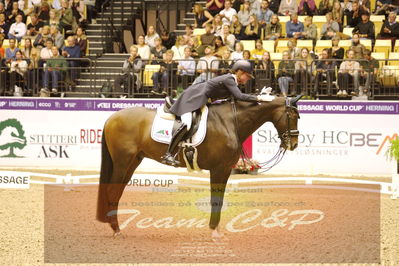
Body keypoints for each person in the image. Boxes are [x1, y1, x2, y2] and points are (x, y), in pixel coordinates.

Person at [161, 60, 271, 166]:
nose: (248, 79)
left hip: (201, 100)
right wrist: (259, 98)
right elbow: (240, 96)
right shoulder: (229, 79)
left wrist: (260, 95)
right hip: (193, 98)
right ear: (240, 72)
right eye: (247, 76)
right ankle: (168, 154)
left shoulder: (232, 82)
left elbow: (238, 99)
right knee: (187, 123)